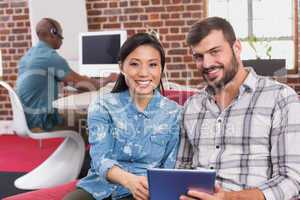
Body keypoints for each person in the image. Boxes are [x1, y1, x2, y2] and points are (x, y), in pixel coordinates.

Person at [176, 16, 300, 200]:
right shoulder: (192, 106)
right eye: (199, 56)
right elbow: (181, 171)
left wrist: (228, 198)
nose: (207, 63)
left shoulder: (280, 98)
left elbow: (291, 180)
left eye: (215, 52)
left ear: (237, 48)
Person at [63, 32, 182, 200]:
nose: (143, 73)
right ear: (121, 67)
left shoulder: (174, 113)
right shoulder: (103, 105)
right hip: (100, 188)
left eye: (153, 65)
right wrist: (129, 181)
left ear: (161, 68)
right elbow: (100, 158)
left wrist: (147, 188)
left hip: (146, 191)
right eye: (134, 64)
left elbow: (170, 167)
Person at [15, 18, 117, 132]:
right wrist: (109, 79)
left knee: (81, 112)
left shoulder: (29, 55)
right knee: (96, 117)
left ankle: (79, 149)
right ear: (53, 32)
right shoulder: (49, 57)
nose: (62, 36)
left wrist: (77, 87)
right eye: (60, 32)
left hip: (27, 119)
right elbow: (83, 84)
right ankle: (89, 150)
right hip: (42, 121)